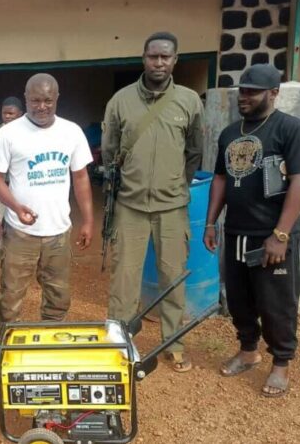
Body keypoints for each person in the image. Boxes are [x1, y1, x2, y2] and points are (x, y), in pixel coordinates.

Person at [204, 64, 300, 397]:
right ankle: (248, 351)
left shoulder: (291, 129)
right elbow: (221, 179)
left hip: (272, 236)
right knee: (239, 300)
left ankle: (280, 364)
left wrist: (280, 234)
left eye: (253, 91)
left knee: (276, 303)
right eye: (243, 90)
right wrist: (212, 221)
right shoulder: (230, 133)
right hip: (236, 233)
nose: (245, 97)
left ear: (274, 92)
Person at [101, 31, 204, 372]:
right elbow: (110, 150)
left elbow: (194, 151)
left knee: (172, 278)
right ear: (143, 58)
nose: (158, 62)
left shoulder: (189, 101)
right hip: (129, 206)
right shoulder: (120, 101)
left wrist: (176, 185)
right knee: (124, 280)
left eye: (165, 57)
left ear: (175, 60)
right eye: (152, 56)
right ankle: (120, 342)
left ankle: (173, 343)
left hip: (172, 208)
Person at [0, 73, 94, 327]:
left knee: (58, 297)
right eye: (35, 100)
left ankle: (50, 347)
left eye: (48, 100)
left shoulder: (71, 132)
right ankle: (5, 352)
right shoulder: (8, 134)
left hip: (58, 233)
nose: (41, 107)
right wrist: (15, 207)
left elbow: (81, 177)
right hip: (20, 233)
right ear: (26, 99)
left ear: (57, 98)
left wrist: (88, 221)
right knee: (10, 297)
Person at [0, 96, 26, 290]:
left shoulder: (29, 133)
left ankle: (14, 268)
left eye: (11, 114)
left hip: (20, 188)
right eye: (5, 113)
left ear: (20, 114)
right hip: (0, 187)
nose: (7, 117)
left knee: (20, 227)